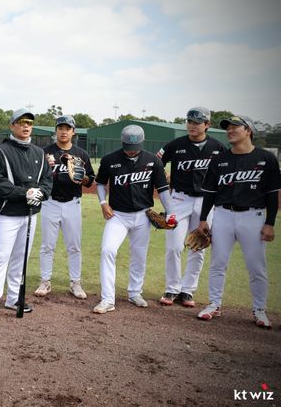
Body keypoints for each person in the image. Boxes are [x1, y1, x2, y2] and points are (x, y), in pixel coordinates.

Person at [196, 115, 279, 329]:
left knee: (256, 266)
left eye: (235, 127)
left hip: (253, 217)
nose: (230, 131)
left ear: (248, 131)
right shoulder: (220, 159)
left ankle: (259, 309)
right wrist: (203, 219)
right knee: (218, 263)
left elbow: (272, 194)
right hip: (223, 215)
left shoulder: (266, 159)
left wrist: (270, 222)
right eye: (228, 128)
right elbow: (210, 192)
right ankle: (214, 304)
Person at [93, 125, 173, 314]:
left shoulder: (153, 161)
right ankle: (107, 299)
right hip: (117, 216)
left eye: (135, 147)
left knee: (139, 255)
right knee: (107, 250)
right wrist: (103, 203)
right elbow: (100, 183)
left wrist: (171, 212)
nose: (131, 150)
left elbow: (162, 189)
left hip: (143, 215)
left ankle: (135, 293)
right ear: (122, 142)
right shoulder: (110, 160)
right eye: (128, 146)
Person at [0, 109, 52, 324]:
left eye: (29, 122)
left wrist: (41, 193)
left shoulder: (39, 153)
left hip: (30, 214)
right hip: (7, 214)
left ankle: (13, 299)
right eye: (21, 122)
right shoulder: (1, 151)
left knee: (21, 258)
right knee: (1, 257)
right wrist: (25, 193)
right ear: (12, 126)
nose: (26, 126)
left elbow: (47, 180)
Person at [156, 107, 227, 307]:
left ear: (207, 125)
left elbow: (227, 171)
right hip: (179, 200)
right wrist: (163, 176)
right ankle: (172, 288)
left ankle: (187, 290)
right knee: (174, 246)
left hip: (206, 202)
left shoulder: (218, 147)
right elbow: (155, 162)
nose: (192, 125)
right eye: (189, 121)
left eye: (197, 122)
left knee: (198, 246)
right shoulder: (175, 145)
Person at [35, 115, 95, 299]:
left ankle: (75, 283)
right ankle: (45, 281)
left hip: (72, 204)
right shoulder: (44, 153)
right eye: (60, 128)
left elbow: (90, 181)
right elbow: (36, 177)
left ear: (73, 132)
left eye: (67, 128)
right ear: (55, 131)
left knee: (74, 246)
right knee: (47, 246)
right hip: (50, 203)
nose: (63, 131)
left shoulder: (81, 154)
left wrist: (80, 176)